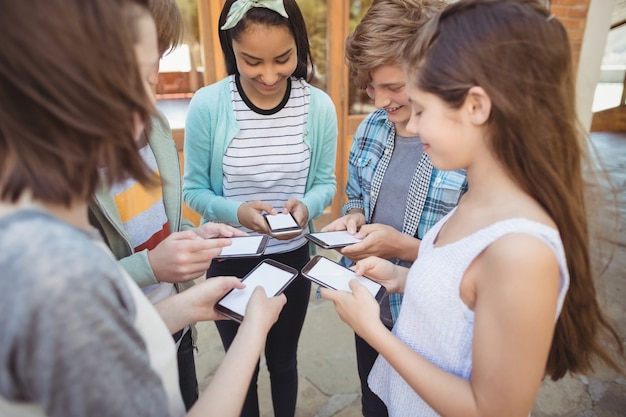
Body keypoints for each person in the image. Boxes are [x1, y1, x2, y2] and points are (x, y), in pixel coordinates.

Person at [320, 0, 625, 416]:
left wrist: (373, 330)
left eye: (421, 109)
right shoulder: (473, 203)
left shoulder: (522, 252)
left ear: (477, 106)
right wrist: (396, 276)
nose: (410, 125)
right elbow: (456, 293)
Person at [0, 1, 285, 416]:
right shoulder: (51, 269)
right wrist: (254, 331)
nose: (152, 101)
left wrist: (186, 304)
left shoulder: (42, 229)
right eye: (145, 79)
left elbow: (103, 341)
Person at [88, 0, 248, 409]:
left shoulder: (154, 128)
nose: (155, 83)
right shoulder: (55, 179)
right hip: (118, 356)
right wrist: (152, 267)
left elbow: (156, 228)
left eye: (157, 62)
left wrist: (191, 237)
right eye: (136, 75)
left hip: (176, 329)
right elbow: (76, 297)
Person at [183, 0, 338, 415]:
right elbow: (193, 190)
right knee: (242, 366)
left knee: (284, 361)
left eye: (283, 59)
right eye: (251, 62)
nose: (269, 76)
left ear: (300, 46)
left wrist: (305, 207)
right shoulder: (208, 104)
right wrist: (237, 213)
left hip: (291, 259)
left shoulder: (318, 106)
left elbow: (326, 183)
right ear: (229, 48)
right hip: (229, 259)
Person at [320, 0, 465, 415]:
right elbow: (355, 195)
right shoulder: (370, 128)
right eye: (371, 87)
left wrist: (401, 247)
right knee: (374, 401)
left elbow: (475, 259)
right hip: (372, 302)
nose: (381, 100)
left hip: (432, 321)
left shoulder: (462, 146)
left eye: (394, 86)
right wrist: (354, 216)